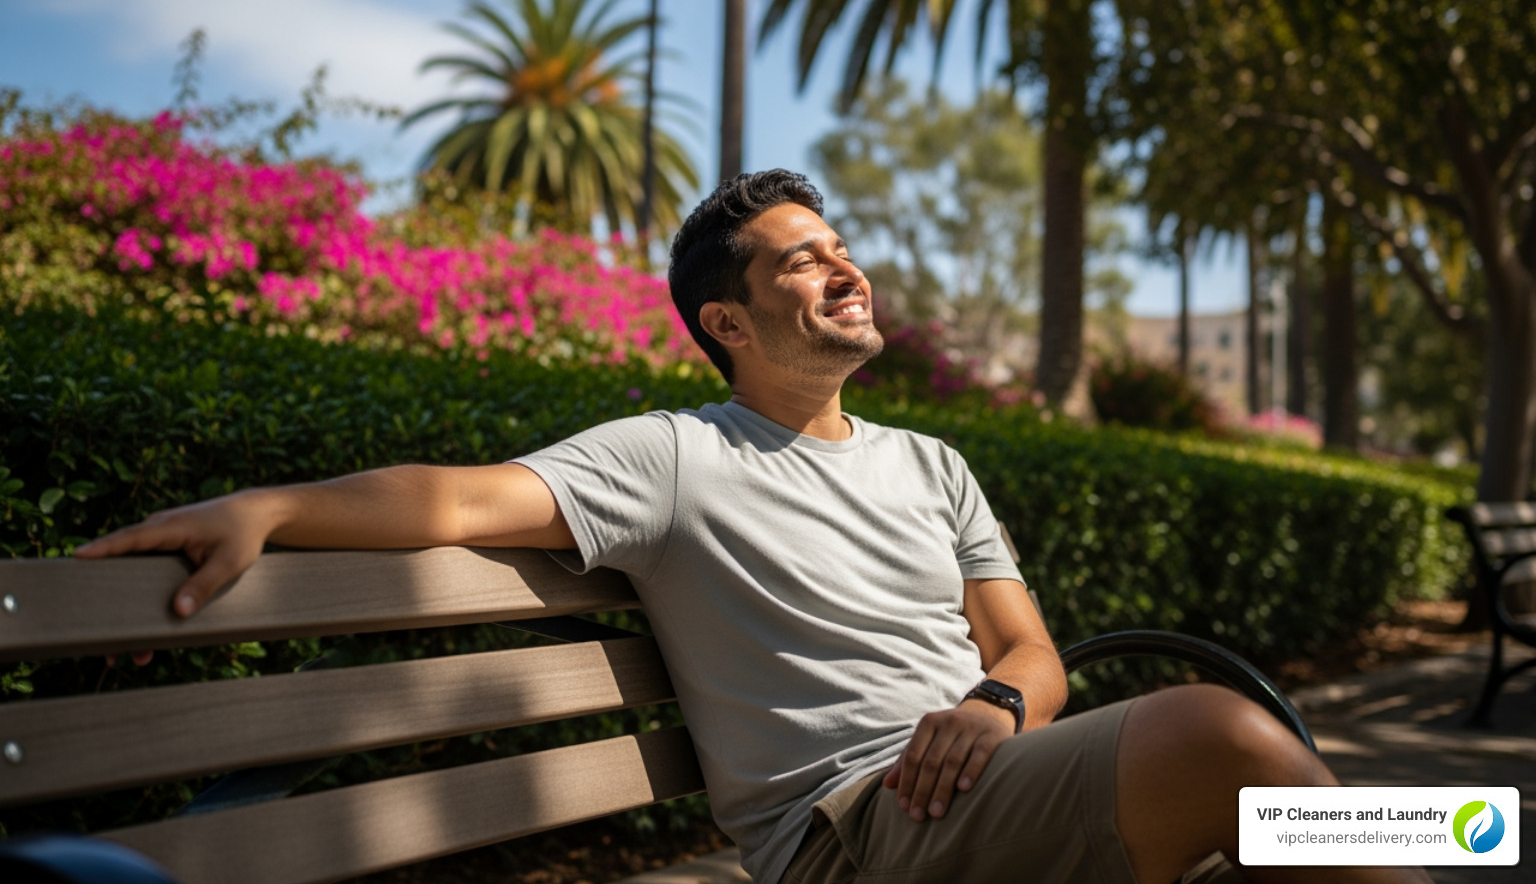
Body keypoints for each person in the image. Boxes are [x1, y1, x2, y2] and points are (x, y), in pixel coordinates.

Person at [77, 171, 1428, 884]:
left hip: (986, 790)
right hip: (860, 835)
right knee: (1224, 737)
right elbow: (461, 497)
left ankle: (1462, 846)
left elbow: (1029, 650)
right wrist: (271, 507)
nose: (844, 266)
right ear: (727, 320)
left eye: (841, 248)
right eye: (802, 258)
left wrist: (997, 705)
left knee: (1409, 823)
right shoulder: (676, 458)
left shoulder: (933, 463)